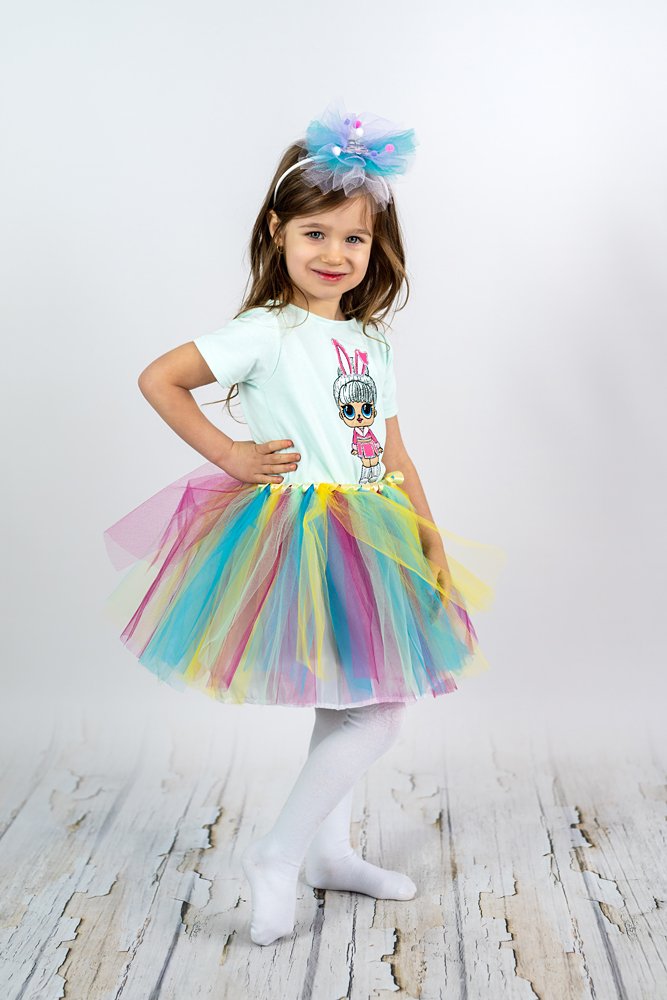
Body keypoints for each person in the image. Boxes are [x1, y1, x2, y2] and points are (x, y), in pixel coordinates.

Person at [103, 98, 499, 947]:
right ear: (277, 231)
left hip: (374, 530)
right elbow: (160, 378)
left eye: (352, 238)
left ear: (374, 247)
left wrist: (427, 534)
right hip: (301, 534)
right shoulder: (266, 333)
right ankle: (277, 855)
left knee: (345, 699)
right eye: (315, 233)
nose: (333, 253)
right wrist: (232, 454)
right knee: (376, 712)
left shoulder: (372, 343)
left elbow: (393, 450)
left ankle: (328, 853)